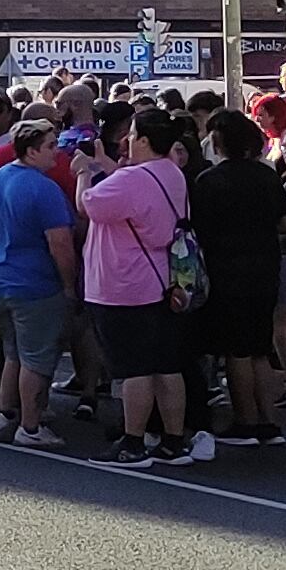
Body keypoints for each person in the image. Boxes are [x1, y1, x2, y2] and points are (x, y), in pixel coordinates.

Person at [81, 108, 203, 468]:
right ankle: (172, 440)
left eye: (132, 135)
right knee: (166, 364)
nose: (126, 141)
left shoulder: (131, 180)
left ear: (145, 141)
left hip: (123, 283)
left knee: (133, 367)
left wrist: (83, 174)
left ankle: (132, 442)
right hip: (164, 280)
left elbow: (89, 204)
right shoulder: (172, 173)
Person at [0, 131, 83, 448]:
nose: (56, 152)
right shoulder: (44, 189)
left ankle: (6, 412)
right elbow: (60, 243)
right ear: (32, 151)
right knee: (37, 356)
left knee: (14, 351)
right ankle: (31, 426)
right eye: (50, 146)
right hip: (33, 282)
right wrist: (68, 286)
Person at [189, 113, 286, 447]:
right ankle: (269, 421)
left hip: (226, 268)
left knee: (236, 350)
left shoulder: (209, 180)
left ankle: (245, 420)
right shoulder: (266, 176)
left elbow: (197, 228)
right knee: (260, 347)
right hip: (265, 264)